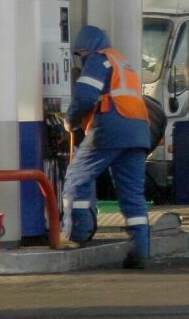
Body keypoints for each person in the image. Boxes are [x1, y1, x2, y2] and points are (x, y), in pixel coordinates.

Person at [61, 25, 152, 269]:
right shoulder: (122, 62)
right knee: (132, 195)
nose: (81, 60)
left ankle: (76, 235)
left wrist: (70, 120)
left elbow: (85, 95)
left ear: (85, 48)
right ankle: (140, 251)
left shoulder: (99, 61)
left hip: (111, 128)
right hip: (139, 131)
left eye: (80, 55)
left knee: (76, 179)